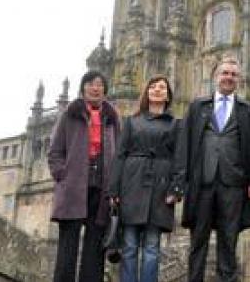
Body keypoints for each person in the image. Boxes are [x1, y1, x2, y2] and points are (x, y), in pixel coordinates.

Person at [172, 56, 250, 282]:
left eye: (233, 74)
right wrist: (179, 182)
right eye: (225, 73)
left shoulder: (248, 111)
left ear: (239, 80)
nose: (229, 78)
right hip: (202, 181)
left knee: (229, 239)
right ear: (215, 77)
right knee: (198, 239)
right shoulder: (197, 107)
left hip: (233, 183)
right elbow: (185, 144)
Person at [109, 75, 182, 282]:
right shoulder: (131, 122)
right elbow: (120, 156)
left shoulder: (176, 124)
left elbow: (179, 158)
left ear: (168, 95)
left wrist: (175, 189)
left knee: (152, 247)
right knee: (130, 245)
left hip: (160, 185)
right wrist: (113, 190)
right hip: (132, 183)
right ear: (147, 92)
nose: (158, 90)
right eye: (153, 87)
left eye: (162, 87)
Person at [49, 70, 121, 282]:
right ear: (83, 88)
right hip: (73, 187)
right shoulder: (69, 114)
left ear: (105, 90)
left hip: (102, 190)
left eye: (99, 84)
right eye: (90, 83)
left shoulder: (113, 118)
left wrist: (115, 185)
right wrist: (62, 175)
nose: (95, 87)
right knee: (67, 247)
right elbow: (54, 151)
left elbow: (120, 153)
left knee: (94, 248)